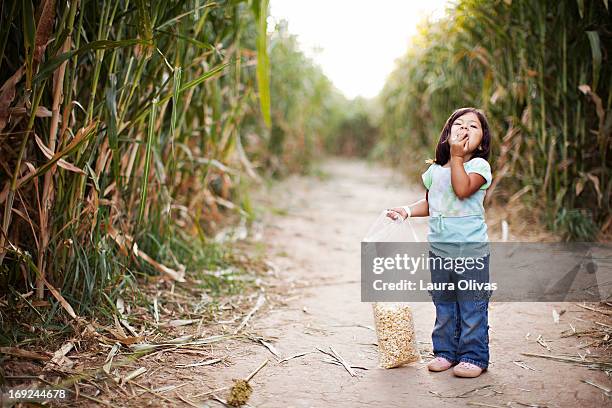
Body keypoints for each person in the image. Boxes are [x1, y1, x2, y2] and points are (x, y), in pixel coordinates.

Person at [386, 107, 493, 378]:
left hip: (470, 252)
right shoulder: (435, 170)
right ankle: (446, 352)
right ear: (447, 135)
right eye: (459, 124)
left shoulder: (479, 167)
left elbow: (462, 189)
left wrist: (457, 157)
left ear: (482, 140)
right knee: (445, 305)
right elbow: (432, 202)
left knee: (472, 305)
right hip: (439, 251)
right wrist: (407, 210)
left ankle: (474, 356)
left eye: (473, 126)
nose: (466, 129)